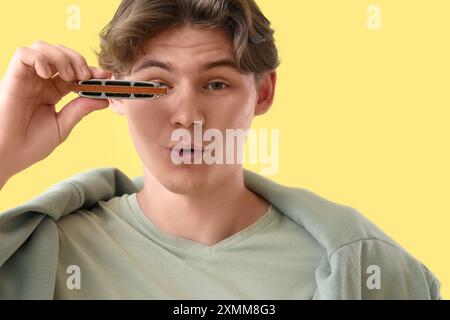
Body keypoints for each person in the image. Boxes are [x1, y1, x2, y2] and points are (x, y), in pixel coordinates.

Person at [0, 0, 441, 299]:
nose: (187, 115)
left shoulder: (361, 268)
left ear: (263, 93)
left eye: (216, 84)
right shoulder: (45, 251)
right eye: (156, 85)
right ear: (113, 93)